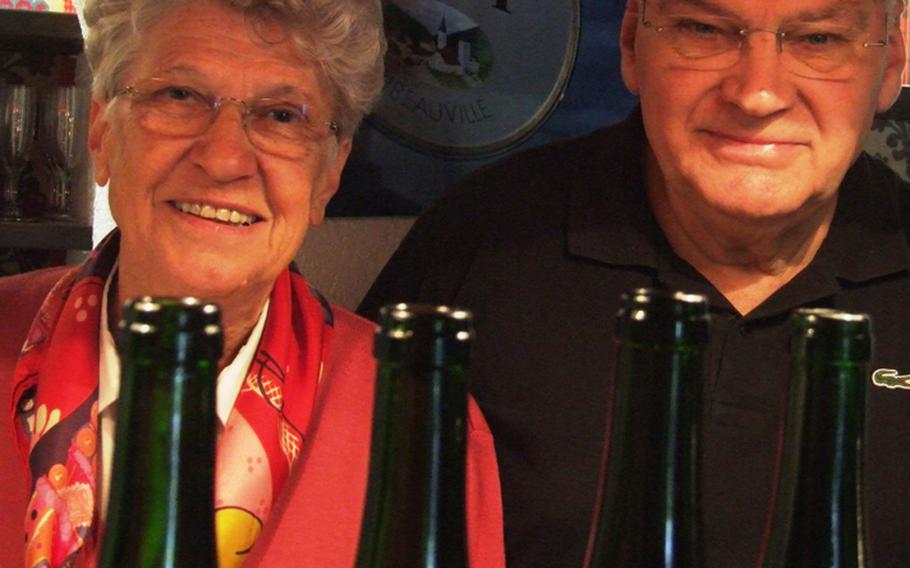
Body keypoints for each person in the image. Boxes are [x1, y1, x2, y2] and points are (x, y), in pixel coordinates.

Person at [358, 0, 910, 566]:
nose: (757, 94)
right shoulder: (482, 238)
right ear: (630, 43)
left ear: (891, 61)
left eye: (819, 40)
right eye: (703, 30)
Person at [0, 0, 505, 566]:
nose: (223, 159)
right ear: (100, 133)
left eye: (283, 115)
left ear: (330, 174)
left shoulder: (420, 420)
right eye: (179, 96)